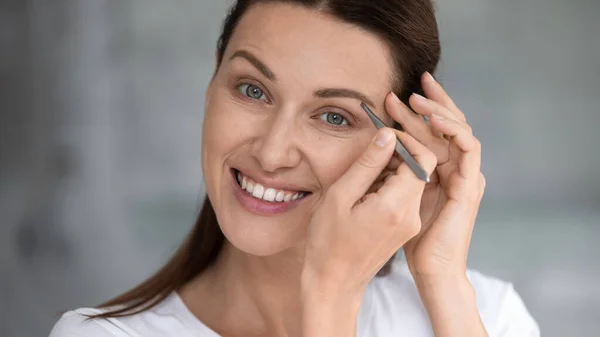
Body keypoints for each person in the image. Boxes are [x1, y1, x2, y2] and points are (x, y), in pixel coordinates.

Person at [49, 1, 540, 336]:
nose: (272, 152)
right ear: (213, 77)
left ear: (400, 146)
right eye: (252, 90)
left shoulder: (482, 317)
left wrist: (439, 275)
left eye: (333, 116)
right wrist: (330, 294)